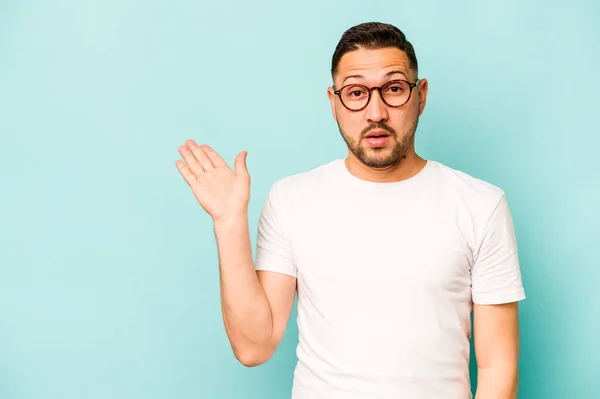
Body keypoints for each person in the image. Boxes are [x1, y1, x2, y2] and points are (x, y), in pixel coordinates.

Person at [175, 21, 526, 399]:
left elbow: (497, 368)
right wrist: (229, 222)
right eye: (356, 92)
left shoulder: (480, 204)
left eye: (393, 89)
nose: (375, 112)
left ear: (420, 95)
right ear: (334, 103)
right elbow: (253, 346)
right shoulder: (292, 199)